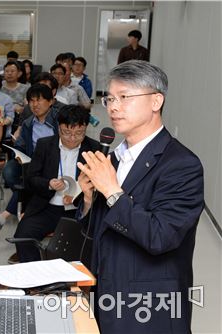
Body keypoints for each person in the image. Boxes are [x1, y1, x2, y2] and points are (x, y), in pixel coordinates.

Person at [76, 60, 203, 332]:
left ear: (156, 101)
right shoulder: (114, 157)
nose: (113, 106)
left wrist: (111, 191)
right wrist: (88, 200)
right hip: (107, 291)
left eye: (125, 97)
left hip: (149, 306)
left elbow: (161, 236)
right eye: (110, 98)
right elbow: (103, 230)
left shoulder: (182, 165)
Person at [13, 105, 100, 262]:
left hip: (77, 210)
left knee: (87, 242)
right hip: (47, 207)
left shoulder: (94, 148)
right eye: (67, 132)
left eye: (79, 133)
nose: (72, 138)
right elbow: (31, 179)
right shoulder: (45, 145)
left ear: (85, 128)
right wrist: (49, 184)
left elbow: (99, 185)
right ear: (58, 128)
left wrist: (78, 194)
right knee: (22, 237)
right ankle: (36, 279)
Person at [0, 84, 59, 254]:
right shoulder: (28, 122)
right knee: (10, 171)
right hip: (31, 161)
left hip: (54, 164)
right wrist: (18, 151)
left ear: (50, 102)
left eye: (40, 100)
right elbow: (20, 145)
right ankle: (24, 208)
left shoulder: (57, 120)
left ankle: (6, 215)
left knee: (30, 179)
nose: (35, 104)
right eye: (32, 101)